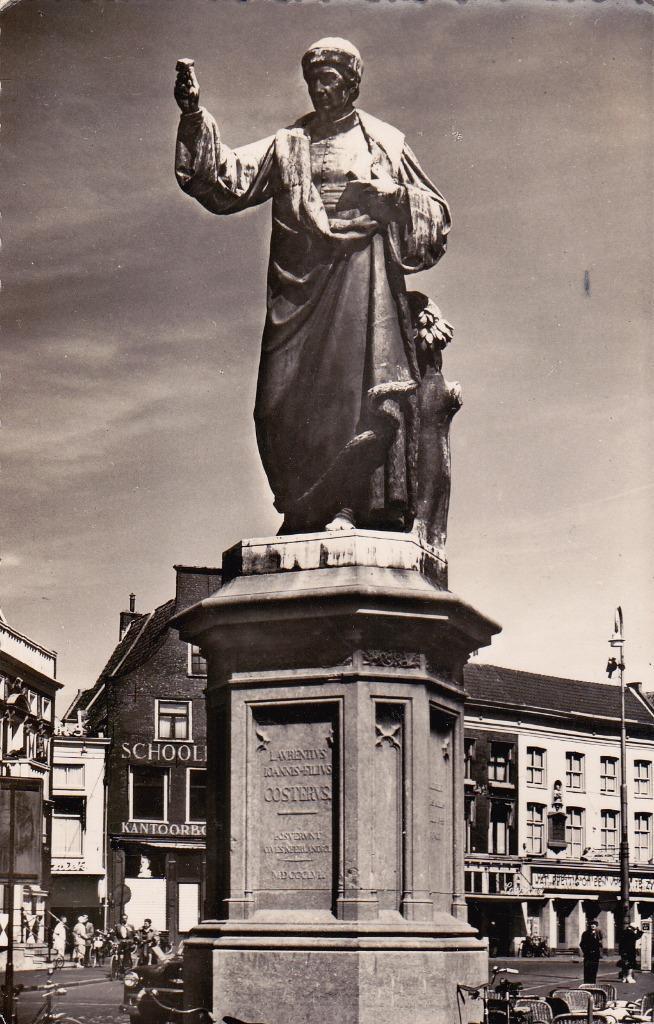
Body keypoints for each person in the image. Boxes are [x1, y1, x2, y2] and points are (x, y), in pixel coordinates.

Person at [175, 38, 451, 536]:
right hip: (298, 289)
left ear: (351, 84)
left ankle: (346, 504)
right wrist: (194, 114)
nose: (320, 92)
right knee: (276, 404)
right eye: (313, 83)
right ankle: (303, 505)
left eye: (330, 82)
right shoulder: (288, 145)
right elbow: (225, 178)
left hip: (360, 283)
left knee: (351, 395)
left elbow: (434, 214)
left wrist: (393, 196)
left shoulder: (384, 142)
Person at [619, 919, 643, 984]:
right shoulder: (631, 933)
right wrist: (639, 931)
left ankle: (624, 978)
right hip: (630, 951)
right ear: (634, 927)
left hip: (623, 951)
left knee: (624, 964)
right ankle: (629, 977)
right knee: (630, 965)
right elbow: (637, 937)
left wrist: (621, 952)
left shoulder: (624, 932)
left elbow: (621, 943)